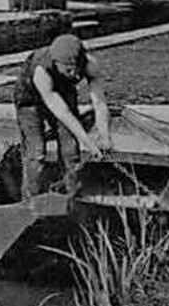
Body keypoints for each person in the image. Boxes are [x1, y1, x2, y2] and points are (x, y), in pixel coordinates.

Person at [12, 32, 112, 199]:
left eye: (76, 67)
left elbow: (100, 104)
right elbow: (63, 113)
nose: (73, 73)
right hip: (30, 100)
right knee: (36, 153)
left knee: (70, 148)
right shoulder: (41, 70)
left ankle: (72, 197)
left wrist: (104, 136)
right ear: (56, 63)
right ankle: (31, 201)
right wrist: (89, 143)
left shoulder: (91, 65)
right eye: (67, 69)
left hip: (63, 92)